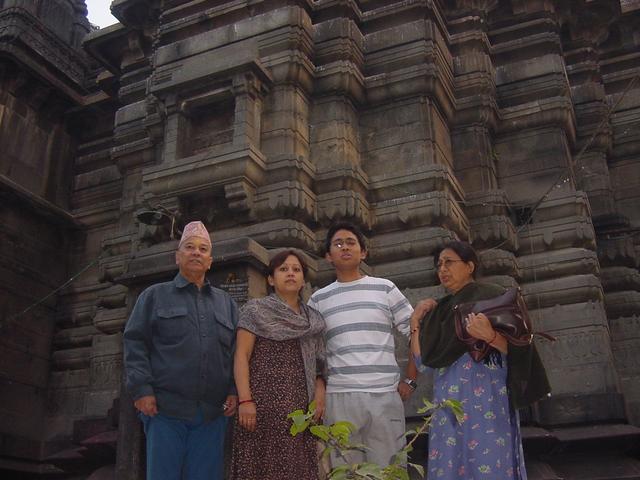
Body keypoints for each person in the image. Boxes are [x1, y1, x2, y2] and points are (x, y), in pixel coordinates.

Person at [410, 240, 551, 480]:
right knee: (449, 461)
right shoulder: (440, 311)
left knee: (489, 460)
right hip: (448, 402)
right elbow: (423, 361)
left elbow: (521, 349)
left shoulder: (494, 296)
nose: (442, 269)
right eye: (439, 264)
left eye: (449, 262)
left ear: (470, 266)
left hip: (487, 397)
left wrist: (491, 336)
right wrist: (415, 322)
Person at [123, 221, 238, 480]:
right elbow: (135, 342)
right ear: (178, 257)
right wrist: (141, 390)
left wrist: (233, 390)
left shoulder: (226, 304)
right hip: (165, 411)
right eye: (189, 247)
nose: (196, 252)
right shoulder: (153, 296)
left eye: (203, 249)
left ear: (210, 260)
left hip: (211, 415)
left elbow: (234, 352)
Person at [308, 221, 418, 467]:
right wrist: (319, 390)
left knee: (389, 468)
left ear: (363, 252)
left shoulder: (385, 289)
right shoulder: (318, 299)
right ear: (328, 256)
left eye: (351, 242)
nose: (344, 247)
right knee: (346, 469)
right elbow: (312, 352)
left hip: (384, 395)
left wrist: (411, 379)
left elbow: (415, 333)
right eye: (338, 244)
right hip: (339, 397)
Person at [231, 249, 326, 480]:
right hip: (261, 408)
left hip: (300, 411)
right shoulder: (255, 311)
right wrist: (245, 400)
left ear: (303, 279)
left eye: (296, 270)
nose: (291, 274)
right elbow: (241, 356)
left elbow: (320, 366)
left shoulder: (313, 320)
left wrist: (319, 399)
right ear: (271, 279)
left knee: (298, 469)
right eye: (283, 269)